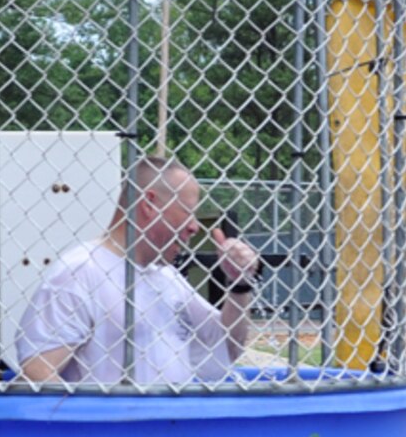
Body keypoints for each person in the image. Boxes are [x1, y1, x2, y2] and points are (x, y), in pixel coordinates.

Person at [15, 155, 260, 385]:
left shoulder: (166, 276)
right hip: (118, 429)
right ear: (149, 204)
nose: (195, 227)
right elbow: (36, 374)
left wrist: (239, 284)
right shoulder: (80, 271)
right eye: (188, 211)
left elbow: (225, 350)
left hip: (170, 428)